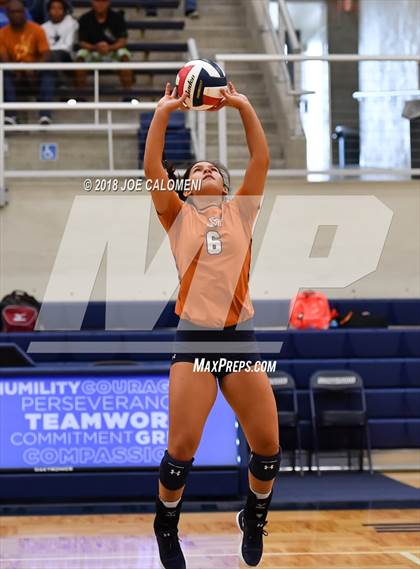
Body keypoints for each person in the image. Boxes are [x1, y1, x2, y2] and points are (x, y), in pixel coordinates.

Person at [144, 82, 280, 569]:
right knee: (181, 449)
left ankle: (254, 516)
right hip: (196, 339)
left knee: (267, 446)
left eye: (212, 169)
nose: (203, 170)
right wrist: (163, 111)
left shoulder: (242, 212)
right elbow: (152, 169)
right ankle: (166, 526)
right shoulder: (177, 216)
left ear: (224, 185)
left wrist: (243, 103)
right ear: (186, 185)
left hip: (239, 338)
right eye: (196, 168)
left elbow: (260, 158)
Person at [0, 0, 53, 125]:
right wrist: (15, 70)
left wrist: (35, 68)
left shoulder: (37, 29)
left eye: (20, 11)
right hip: (14, 74)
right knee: (4, 76)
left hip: (35, 72)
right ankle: (11, 115)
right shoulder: (2, 33)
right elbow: (4, 58)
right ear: (7, 14)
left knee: (48, 75)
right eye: (13, 12)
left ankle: (45, 115)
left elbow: (46, 55)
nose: (17, 15)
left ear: (25, 12)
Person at [75, 0, 133, 91]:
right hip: (92, 50)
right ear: (92, 2)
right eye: (97, 1)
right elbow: (82, 42)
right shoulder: (85, 18)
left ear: (108, 2)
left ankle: (128, 94)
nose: (100, 4)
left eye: (103, 1)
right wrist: (95, 47)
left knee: (124, 56)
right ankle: (80, 95)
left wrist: (109, 48)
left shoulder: (117, 17)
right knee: (80, 57)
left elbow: (123, 41)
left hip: (113, 50)